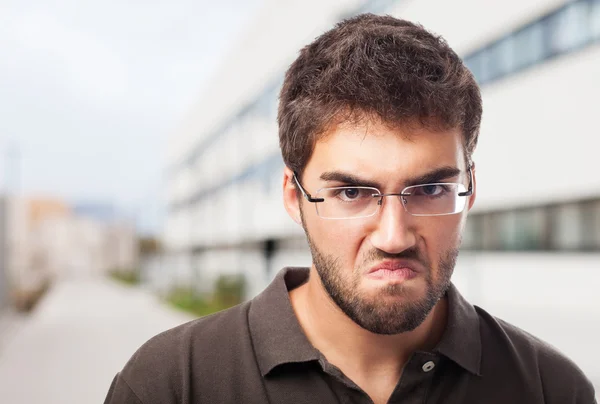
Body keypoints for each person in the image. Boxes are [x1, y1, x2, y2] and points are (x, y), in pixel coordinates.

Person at [104, 13, 597, 404]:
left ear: (469, 188)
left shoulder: (551, 390)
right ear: (295, 198)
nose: (393, 235)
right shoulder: (170, 386)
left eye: (428, 190)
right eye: (352, 193)